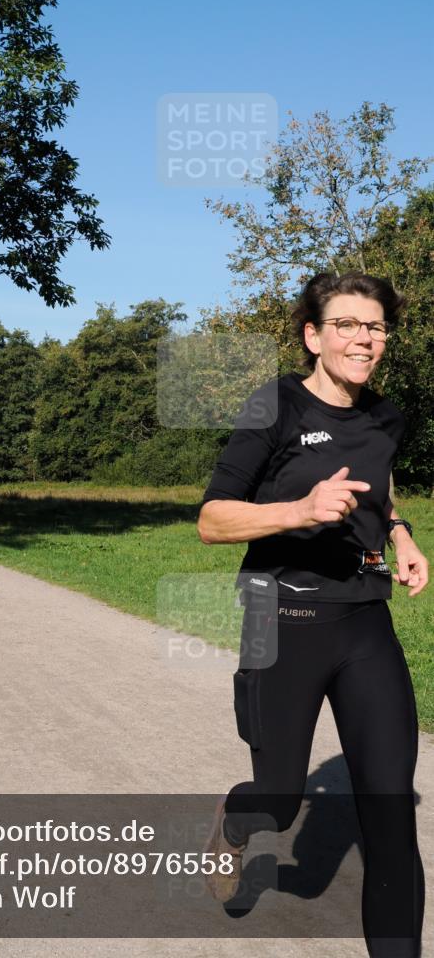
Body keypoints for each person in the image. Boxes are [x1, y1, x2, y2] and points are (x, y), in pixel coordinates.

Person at [197, 272, 427, 957]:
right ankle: (237, 824)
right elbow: (212, 519)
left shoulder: (385, 416)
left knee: (390, 814)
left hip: (363, 620)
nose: (365, 337)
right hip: (278, 616)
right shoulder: (274, 408)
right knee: (279, 798)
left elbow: (376, 487)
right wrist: (297, 511)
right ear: (314, 336)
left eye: (377, 325)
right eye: (349, 324)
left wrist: (400, 533)